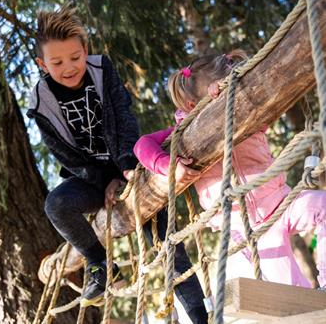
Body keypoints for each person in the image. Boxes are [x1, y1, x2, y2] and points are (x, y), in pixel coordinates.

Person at [27, 6, 208, 322]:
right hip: (90, 178)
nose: (69, 67)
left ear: (85, 51)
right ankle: (99, 263)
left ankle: (199, 314)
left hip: (130, 165)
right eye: (57, 62)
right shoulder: (42, 102)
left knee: (166, 243)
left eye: (75, 57)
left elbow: (123, 117)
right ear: (43, 64)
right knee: (57, 205)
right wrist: (103, 181)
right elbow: (65, 155)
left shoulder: (101, 70)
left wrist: (125, 167)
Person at [134, 51, 326, 289]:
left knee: (323, 206)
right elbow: (142, 145)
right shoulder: (183, 134)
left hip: (281, 202)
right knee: (293, 295)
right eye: (220, 89)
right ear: (194, 105)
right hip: (244, 227)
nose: (226, 94)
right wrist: (169, 167)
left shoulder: (246, 110)